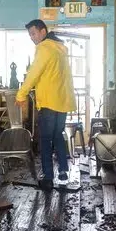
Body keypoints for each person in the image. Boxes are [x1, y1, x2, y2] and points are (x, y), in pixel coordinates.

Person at [15, 19, 76, 190]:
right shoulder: (61, 50)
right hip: (62, 102)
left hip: (49, 102)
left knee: (45, 139)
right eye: (30, 35)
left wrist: (21, 94)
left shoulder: (44, 48)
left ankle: (48, 177)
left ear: (43, 31)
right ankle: (63, 171)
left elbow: (34, 73)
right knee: (58, 135)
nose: (32, 38)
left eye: (34, 33)